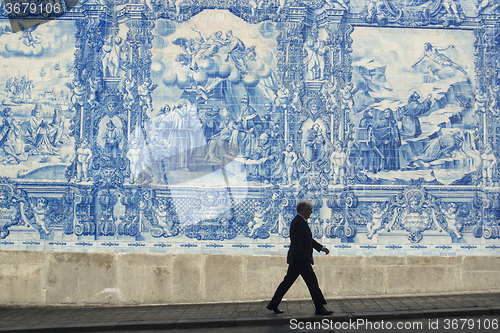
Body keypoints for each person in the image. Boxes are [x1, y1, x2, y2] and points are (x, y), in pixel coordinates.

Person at [267, 200, 333, 316]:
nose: (311, 212)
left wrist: (321, 248)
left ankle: (273, 304)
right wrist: (304, 259)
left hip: (297, 260)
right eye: (309, 210)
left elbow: (308, 240)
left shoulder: (301, 222)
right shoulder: (298, 223)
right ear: (303, 210)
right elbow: (297, 244)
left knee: (287, 282)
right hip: (300, 260)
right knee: (312, 283)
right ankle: (319, 307)